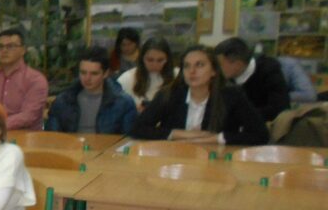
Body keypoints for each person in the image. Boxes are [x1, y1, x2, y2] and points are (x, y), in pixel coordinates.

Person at [131, 45, 268, 145]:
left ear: (214, 71)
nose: (192, 71)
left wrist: (215, 138)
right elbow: (137, 128)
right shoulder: (169, 94)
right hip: (175, 158)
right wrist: (182, 134)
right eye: (186, 66)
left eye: (200, 65)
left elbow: (261, 135)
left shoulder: (231, 96)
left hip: (215, 160)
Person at [45, 46, 137, 134]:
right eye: (83, 72)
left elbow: (128, 139)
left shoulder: (123, 103)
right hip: (71, 145)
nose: (87, 78)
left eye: (94, 73)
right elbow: (52, 137)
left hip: (106, 145)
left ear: (105, 74)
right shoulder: (63, 101)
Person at [0, 26, 48, 130]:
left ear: (23, 50)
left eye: (10, 46)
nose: (4, 50)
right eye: (0, 46)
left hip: (24, 135)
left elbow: (28, 116)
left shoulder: (36, 80)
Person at [213, 37, 289, 121]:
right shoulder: (223, 78)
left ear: (237, 64)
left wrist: (240, 117)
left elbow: (279, 108)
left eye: (219, 65)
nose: (215, 69)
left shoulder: (269, 71)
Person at [117, 36, 177, 111]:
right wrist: (133, 110)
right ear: (142, 58)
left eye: (160, 60)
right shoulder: (127, 78)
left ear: (167, 59)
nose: (155, 65)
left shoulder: (177, 76)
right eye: (150, 60)